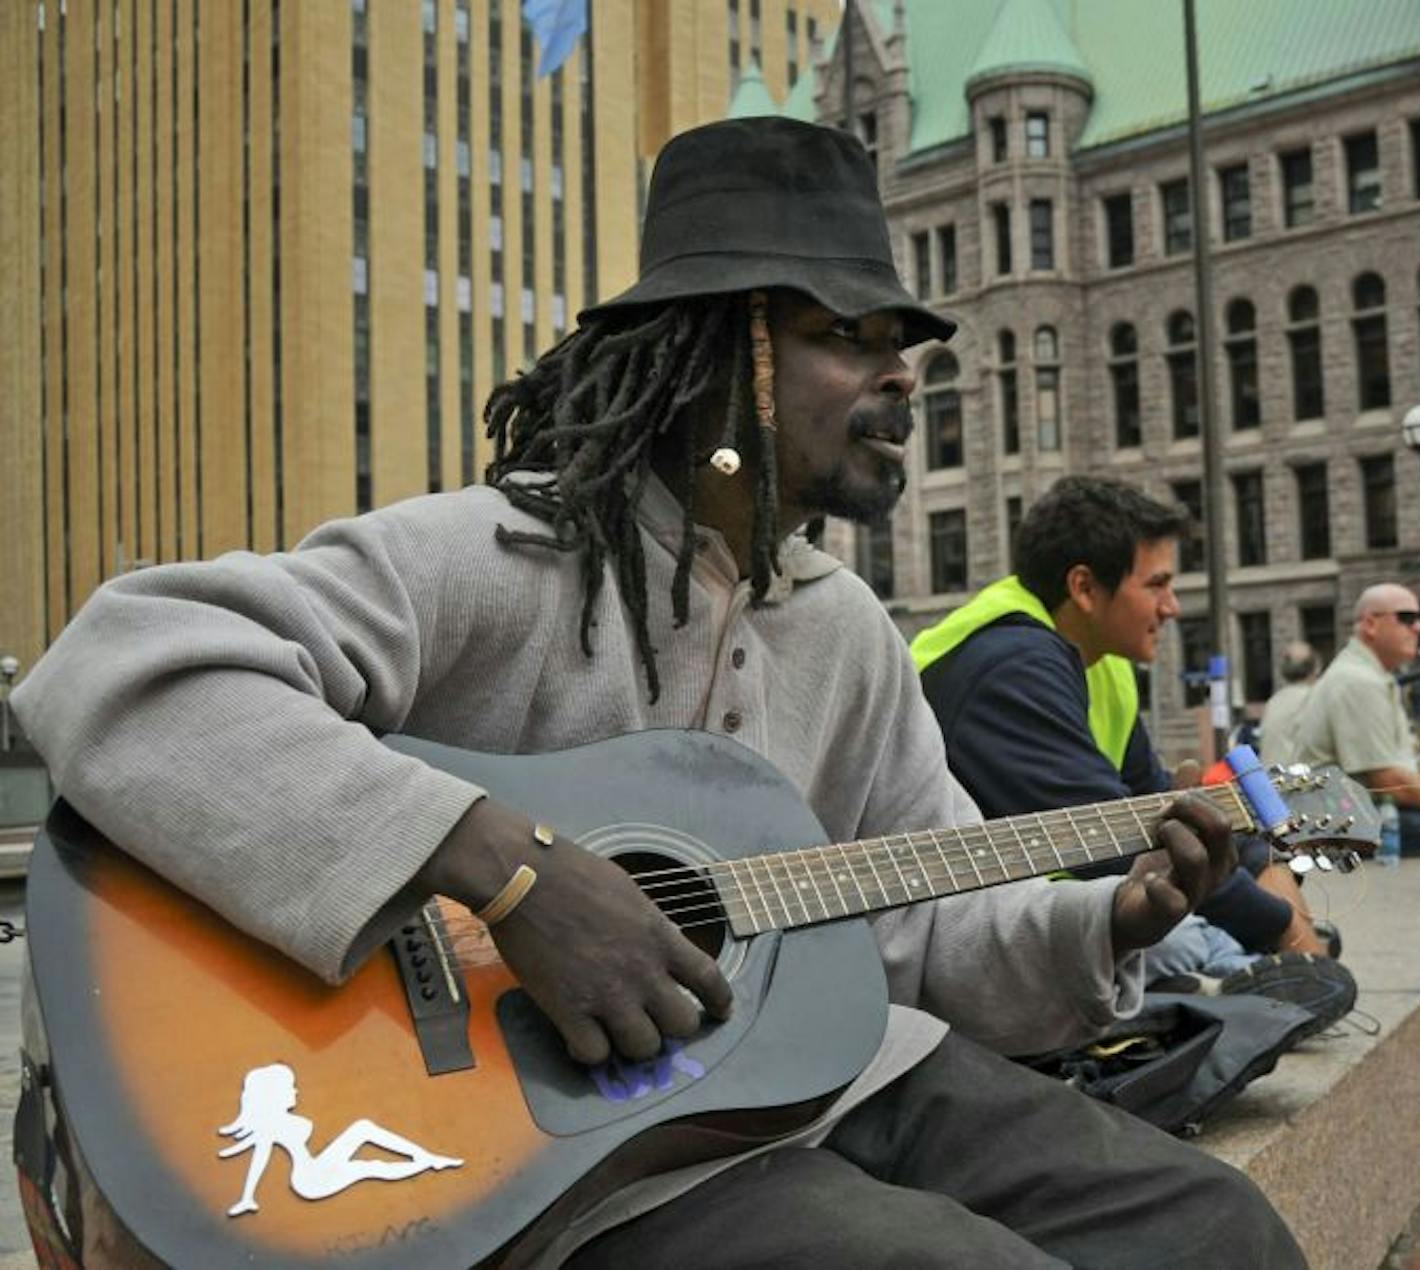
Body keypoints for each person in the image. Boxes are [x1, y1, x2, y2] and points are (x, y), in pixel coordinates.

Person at [14, 118, 1300, 1269]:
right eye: (844, 336)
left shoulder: (844, 630)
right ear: (712, 350)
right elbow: (124, 666)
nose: (902, 376)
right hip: (561, 1160)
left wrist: (1109, 922)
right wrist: (504, 870)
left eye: (902, 345)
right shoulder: (497, 556)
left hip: (835, 1078)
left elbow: (922, 927)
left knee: (1219, 1232)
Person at [914, 477, 1352, 1021]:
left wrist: (1262, 858)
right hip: (967, 941)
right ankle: (1207, 986)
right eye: (1157, 584)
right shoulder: (1012, 667)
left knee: (1203, 935)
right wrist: (1286, 932)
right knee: (1185, 938)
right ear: (1085, 587)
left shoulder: (1102, 660)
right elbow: (1126, 845)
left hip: (1064, 913)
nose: (1171, 606)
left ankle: (1209, 985)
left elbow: (1160, 801)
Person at [1278, 583, 1420, 854]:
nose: (1419, 627)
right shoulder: (1357, 681)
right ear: (1370, 624)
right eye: (1407, 618)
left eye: (1419, 618)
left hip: (1356, 815)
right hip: (1352, 823)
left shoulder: (1364, 674)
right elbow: (1388, 781)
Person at [1257, 641, 1322, 768]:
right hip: (1298, 783)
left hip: (1271, 782)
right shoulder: (1316, 699)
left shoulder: (1273, 702)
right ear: (1317, 668)